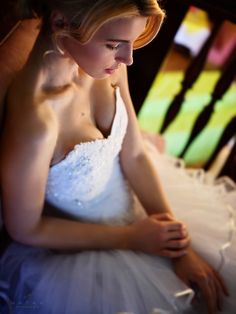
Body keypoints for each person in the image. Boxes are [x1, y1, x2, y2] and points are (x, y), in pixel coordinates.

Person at [0, 0, 235, 313]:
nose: (128, 58)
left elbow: (135, 154)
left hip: (141, 203)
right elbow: (25, 229)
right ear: (60, 24)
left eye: (130, 43)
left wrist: (178, 245)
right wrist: (131, 238)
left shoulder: (107, 68)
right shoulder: (37, 123)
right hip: (88, 247)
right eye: (113, 45)